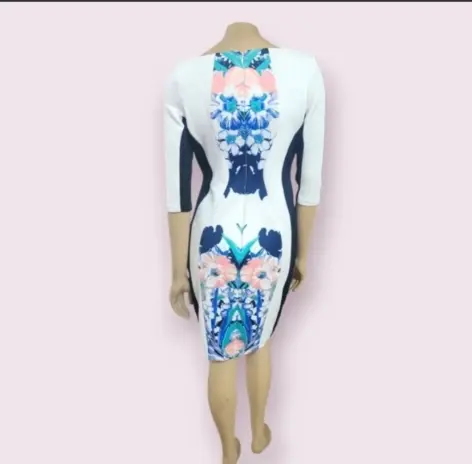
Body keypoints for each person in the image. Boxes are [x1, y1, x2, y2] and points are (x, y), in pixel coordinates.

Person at [163, 21, 326, 464]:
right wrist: (304, 254)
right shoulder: (306, 71)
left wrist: (177, 271)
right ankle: (257, 432)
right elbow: (309, 184)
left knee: (219, 353)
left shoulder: (183, 77)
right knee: (262, 337)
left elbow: (178, 192)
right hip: (274, 233)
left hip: (210, 234)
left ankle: (227, 451)